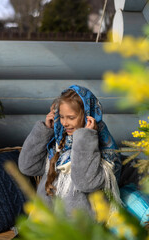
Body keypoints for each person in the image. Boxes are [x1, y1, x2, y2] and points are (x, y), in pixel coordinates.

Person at [18, 85, 122, 216]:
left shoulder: (103, 149)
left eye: (71, 117)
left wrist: (86, 137)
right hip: (45, 225)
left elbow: (86, 183)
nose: (64, 123)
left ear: (88, 116)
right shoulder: (59, 143)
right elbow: (27, 167)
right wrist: (44, 130)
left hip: (78, 227)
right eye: (61, 117)